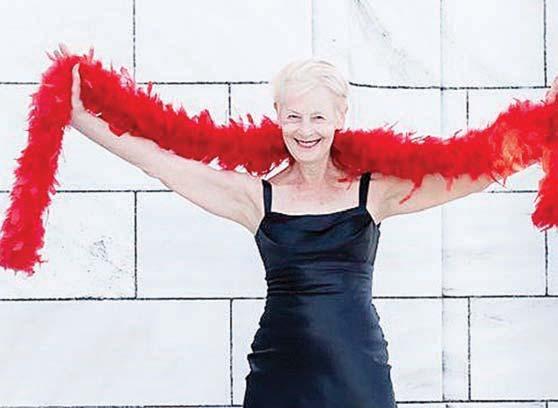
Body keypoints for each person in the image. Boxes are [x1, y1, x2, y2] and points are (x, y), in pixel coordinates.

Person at [67, 47, 558, 406]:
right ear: (278, 116)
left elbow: (472, 172)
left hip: (357, 371)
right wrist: (76, 116)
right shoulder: (255, 198)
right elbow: (159, 162)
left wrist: (546, 125)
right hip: (280, 369)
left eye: (318, 116)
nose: (306, 130)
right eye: (295, 116)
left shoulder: (374, 191)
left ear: (341, 116)